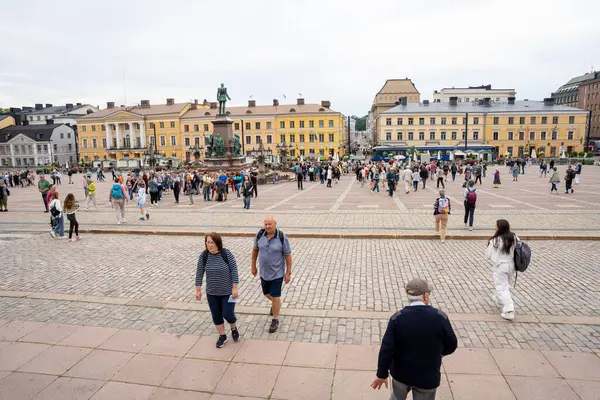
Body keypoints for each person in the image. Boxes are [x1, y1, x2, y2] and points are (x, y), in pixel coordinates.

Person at [371, 279, 457, 400]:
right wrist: (442, 353)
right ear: (425, 295)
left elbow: (386, 349)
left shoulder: (397, 318)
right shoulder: (440, 317)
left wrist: (381, 375)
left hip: (401, 374)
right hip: (428, 377)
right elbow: (452, 344)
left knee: (396, 396)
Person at [195, 232, 240, 348]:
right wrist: (198, 290)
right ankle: (222, 336)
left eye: (212, 242)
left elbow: (234, 270)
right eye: (208, 242)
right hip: (212, 293)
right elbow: (199, 273)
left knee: (228, 314)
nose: (209, 245)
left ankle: (233, 327)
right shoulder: (204, 256)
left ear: (217, 243)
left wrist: (235, 287)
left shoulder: (226, 254)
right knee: (216, 315)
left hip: (228, 292)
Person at [251, 216, 292, 334]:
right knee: (266, 293)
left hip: (277, 273)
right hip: (264, 273)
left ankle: (275, 319)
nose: (267, 226)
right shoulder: (259, 235)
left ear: (275, 224)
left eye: (270, 224)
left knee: (275, 295)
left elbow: (288, 256)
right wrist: (253, 266)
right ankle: (275, 304)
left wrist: (288, 273)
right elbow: (255, 250)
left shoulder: (282, 237)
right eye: (266, 224)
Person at [485, 219, 517, 321]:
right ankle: (498, 300)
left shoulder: (496, 240)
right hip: (511, 265)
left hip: (500, 266)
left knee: (502, 287)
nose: (494, 227)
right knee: (504, 285)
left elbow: (488, 255)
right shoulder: (514, 237)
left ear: (500, 228)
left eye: (496, 225)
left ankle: (509, 310)